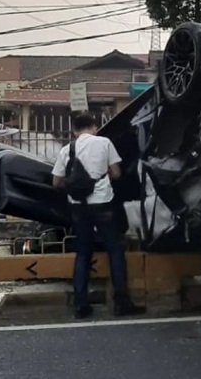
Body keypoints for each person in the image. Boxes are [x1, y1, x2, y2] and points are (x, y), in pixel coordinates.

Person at [51, 113, 145, 319]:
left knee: (83, 252)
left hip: (78, 208)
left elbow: (56, 183)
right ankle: (122, 302)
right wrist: (102, 176)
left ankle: (80, 305)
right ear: (94, 127)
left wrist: (75, 184)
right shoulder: (104, 143)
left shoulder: (67, 149)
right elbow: (117, 173)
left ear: (75, 131)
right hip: (103, 204)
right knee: (115, 250)